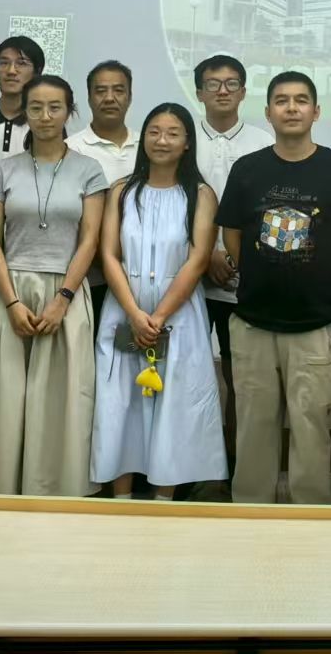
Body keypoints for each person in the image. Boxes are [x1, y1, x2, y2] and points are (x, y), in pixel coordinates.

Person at [0, 75, 107, 495]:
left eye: (55, 107)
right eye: (36, 108)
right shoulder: (4, 169)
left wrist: (63, 299)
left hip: (66, 293)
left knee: (61, 398)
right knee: (3, 393)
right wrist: (12, 303)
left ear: (69, 112)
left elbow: (90, 241)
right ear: (25, 113)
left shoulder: (89, 170)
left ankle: (51, 485)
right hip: (9, 290)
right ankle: (0, 482)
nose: (45, 116)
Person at [218, 71, 331, 505]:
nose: (291, 108)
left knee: (311, 428)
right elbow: (231, 232)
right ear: (268, 112)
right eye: (281, 100)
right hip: (254, 321)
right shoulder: (248, 169)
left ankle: (310, 518)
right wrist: (255, 271)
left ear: (316, 111)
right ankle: (251, 511)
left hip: (313, 322)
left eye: (301, 100)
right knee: (254, 426)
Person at [93, 104, 228, 497]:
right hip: (125, 310)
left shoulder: (200, 194)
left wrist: (160, 315)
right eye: (154, 131)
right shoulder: (121, 190)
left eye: (172, 133)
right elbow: (109, 255)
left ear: (187, 143)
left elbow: (198, 258)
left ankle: (163, 499)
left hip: (179, 314)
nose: (162, 140)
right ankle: (121, 497)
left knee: (175, 406)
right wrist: (135, 314)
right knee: (120, 402)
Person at [191, 53, 275, 459]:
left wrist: (235, 257)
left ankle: (236, 466)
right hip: (187, 279)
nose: (222, 91)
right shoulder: (181, 139)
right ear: (199, 92)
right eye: (213, 84)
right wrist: (206, 254)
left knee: (242, 376)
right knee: (188, 374)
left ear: (243, 92)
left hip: (244, 281)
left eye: (231, 84)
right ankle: (190, 467)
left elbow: (268, 213)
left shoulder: (264, 144)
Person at [67, 59, 140, 320]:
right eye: (101, 91)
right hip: (87, 280)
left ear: (130, 97)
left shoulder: (148, 147)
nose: (110, 98)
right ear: (89, 97)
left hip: (138, 278)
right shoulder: (71, 149)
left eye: (119, 90)